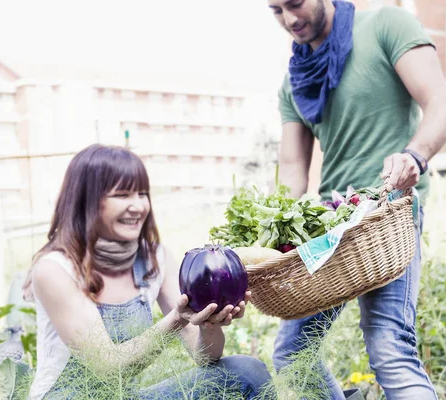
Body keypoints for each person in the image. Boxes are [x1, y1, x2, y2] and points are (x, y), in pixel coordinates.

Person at [267, 0, 446, 399]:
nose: (290, 18)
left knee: (390, 347)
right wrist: (264, 233)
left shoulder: (387, 26)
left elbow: (441, 106)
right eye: (276, 10)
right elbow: (291, 172)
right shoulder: (294, 81)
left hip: (388, 216)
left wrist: (414, 156)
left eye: (295, 4)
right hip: (332, 226)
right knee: (291, 353)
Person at [22, 144, 274, 399]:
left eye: (142, 194)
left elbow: (204, 357)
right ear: (86, 201)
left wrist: (207, 324)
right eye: (122, 195)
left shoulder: (154, 258)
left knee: (247, 373)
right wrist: (177, 318)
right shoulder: (54, 269)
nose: (138, 206)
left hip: (126, 396)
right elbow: (108, 368)